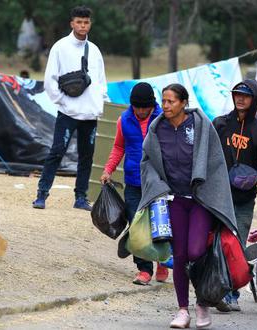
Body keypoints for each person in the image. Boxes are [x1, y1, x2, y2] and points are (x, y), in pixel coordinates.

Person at [137, 84, 238, 328]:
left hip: (201, 199)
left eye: (171, 101)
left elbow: (215, 161)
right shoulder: (157, 128)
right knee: (180, 256)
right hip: (175, 200)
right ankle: (183, 309)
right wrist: (158, 186)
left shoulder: (200, 126)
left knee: (196, 251)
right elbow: (147, 161)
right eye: (164, 101)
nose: (166, 106)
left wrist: (211, 189)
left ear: (183, 102)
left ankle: (202, 303)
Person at [213, 79, 257, 311]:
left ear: (253, 100)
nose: (240, 98)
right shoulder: (221, 124)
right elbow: (204, 157)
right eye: (237, 94)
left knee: (235, 247)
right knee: (213, 244)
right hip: (217, 198)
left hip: (243, 202)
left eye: (246, 95)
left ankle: (231, 294)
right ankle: (211, 289)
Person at [33, 5, 107, 210]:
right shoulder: (60, 47)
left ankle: (80, 198)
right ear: (72, 23)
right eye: (79, 22)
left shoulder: (94, 50)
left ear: (90, 24)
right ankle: (41, 195)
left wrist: (100, 105)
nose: (83, 26)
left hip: (90, 114)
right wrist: (63, 102)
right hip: (67, 112)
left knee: (86, 157)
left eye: (86, 22)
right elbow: (50, 80)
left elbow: (101, 82)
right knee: (56, 152)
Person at [100, 82, 168, 285]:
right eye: (136, 107)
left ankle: (162, 260)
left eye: (144, 107)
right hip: (133, 180)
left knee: (160, 223)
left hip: (158, 181)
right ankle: (144, 269)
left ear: (151, 105)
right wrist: (108, 170)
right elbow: (118, 147)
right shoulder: (124, 120)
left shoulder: (163, 119)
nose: (140, 111)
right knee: (136, 226)